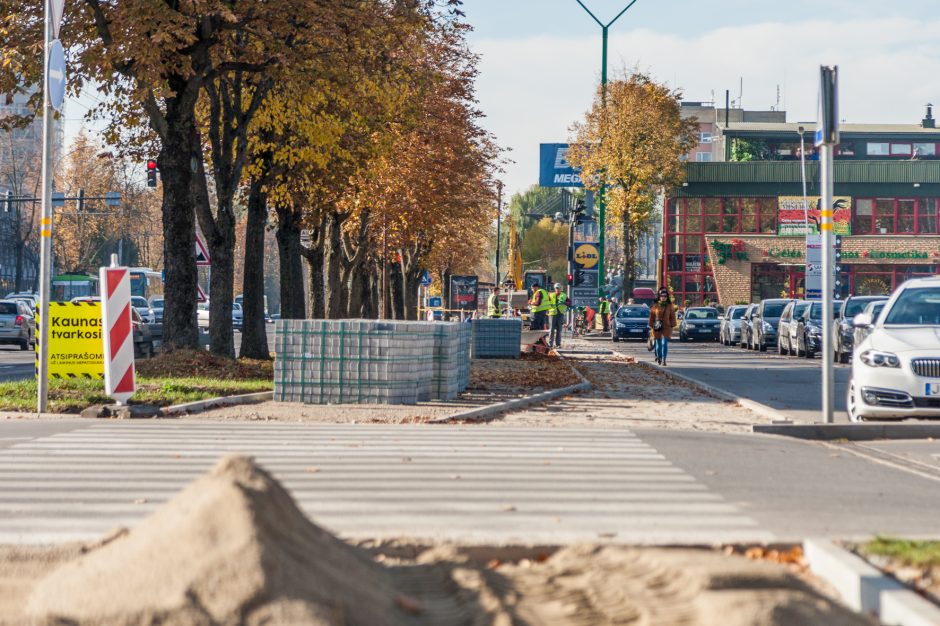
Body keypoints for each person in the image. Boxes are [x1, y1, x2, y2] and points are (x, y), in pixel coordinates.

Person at [649, 288, 677, 366]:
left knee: (664, 343)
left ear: (667, 297)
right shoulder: (655, 305)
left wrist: (672, 324)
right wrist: (651, 325)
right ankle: (659, 357)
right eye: (662, 296)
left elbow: (672, 316)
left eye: (665, 296)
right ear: (659, 296)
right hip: (657, 326)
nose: (663, 297)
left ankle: (664, 359)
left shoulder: (670, 306)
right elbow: (652, 316)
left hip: (667, 326)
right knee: (658, 344)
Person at [547, 282, 569, 348]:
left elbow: (569, 302)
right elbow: (546, 302)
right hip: (552, 314)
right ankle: (550, 344)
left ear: (560, 289)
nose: (557, 289)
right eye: (556, 288)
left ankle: (558, 344)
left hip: (560, 314)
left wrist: (564, 302)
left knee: (559, 330)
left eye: (558, 288)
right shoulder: (550, 295)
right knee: (551, 330)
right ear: (554, 288)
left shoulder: (564, 295)